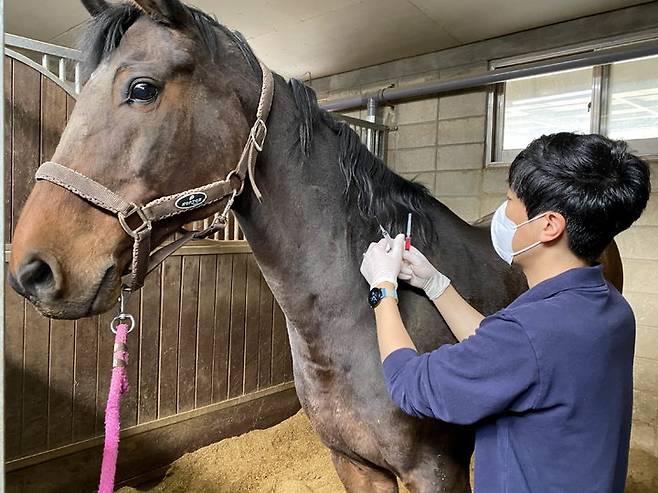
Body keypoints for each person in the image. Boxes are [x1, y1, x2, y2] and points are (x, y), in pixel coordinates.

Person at [360, 133, 651, 492]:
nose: (503, 211)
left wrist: (382, 288)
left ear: (549, 225)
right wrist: (436, 284)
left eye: (511, 200)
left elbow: (409, 384)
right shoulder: (608, 306)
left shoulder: (529, 335)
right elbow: (505, 348)